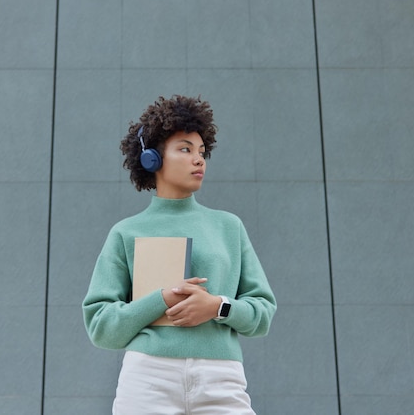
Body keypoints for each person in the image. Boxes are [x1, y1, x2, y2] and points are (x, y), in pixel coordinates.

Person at [82, 95, 277, 414]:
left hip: (221, 378)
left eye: (202, 152)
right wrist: (160, 298)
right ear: (152, 159)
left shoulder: (228, 226)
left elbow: (262, 313)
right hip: (148, 377)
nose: (199, 160)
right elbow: (101, 327)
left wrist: (218, 306)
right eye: (185, 149)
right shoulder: (125, 232)